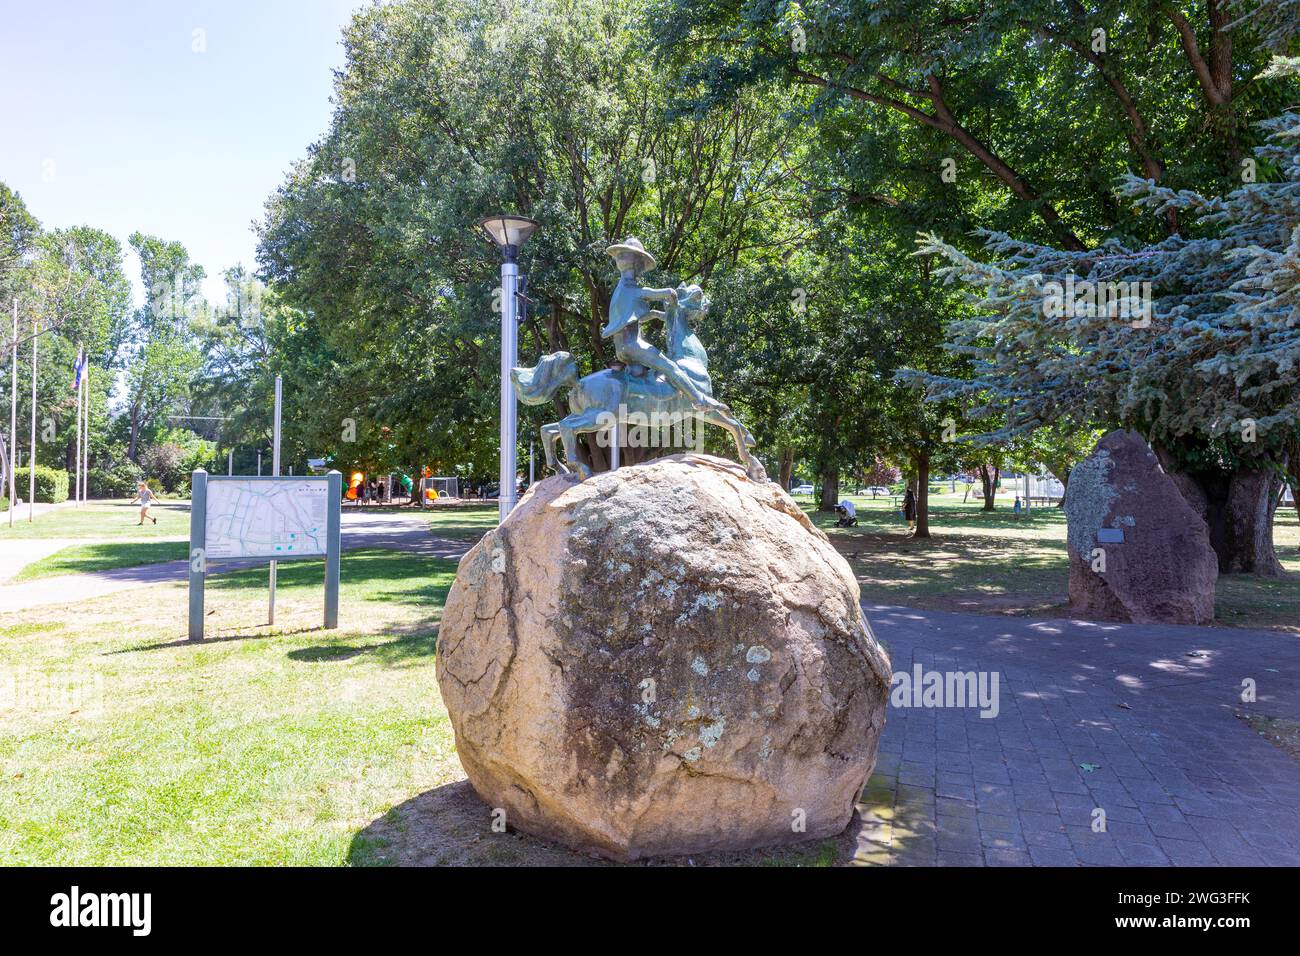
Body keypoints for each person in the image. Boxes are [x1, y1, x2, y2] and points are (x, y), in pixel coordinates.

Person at [601, 237, 731, 415]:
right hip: (633, 345)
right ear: (638, 262)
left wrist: (655, 314)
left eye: (624, 255)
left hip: (623, 347)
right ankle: (698, 400)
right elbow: (649, 293)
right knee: (671, 367)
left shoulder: (622, 287)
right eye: (622, 255)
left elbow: (635, 317)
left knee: (645, 371)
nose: (620, 257)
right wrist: (668, 294)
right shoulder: (629, 287)